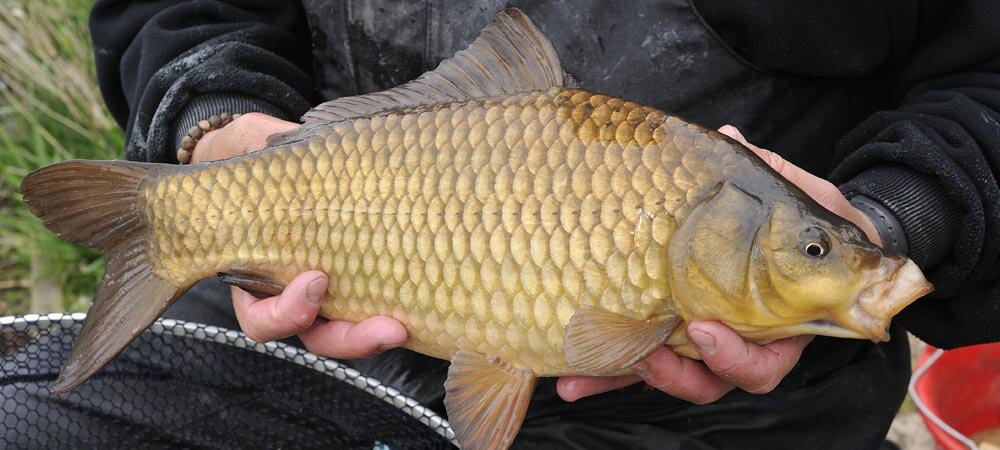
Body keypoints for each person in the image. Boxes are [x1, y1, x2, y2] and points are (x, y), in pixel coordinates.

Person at [89, 1, 1000, 448]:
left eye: (810, 250)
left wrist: (902, 211)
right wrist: (215, 125)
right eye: (812, 247)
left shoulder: (711, 208)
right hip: (299, 304)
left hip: (755, 419)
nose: (828, 259)